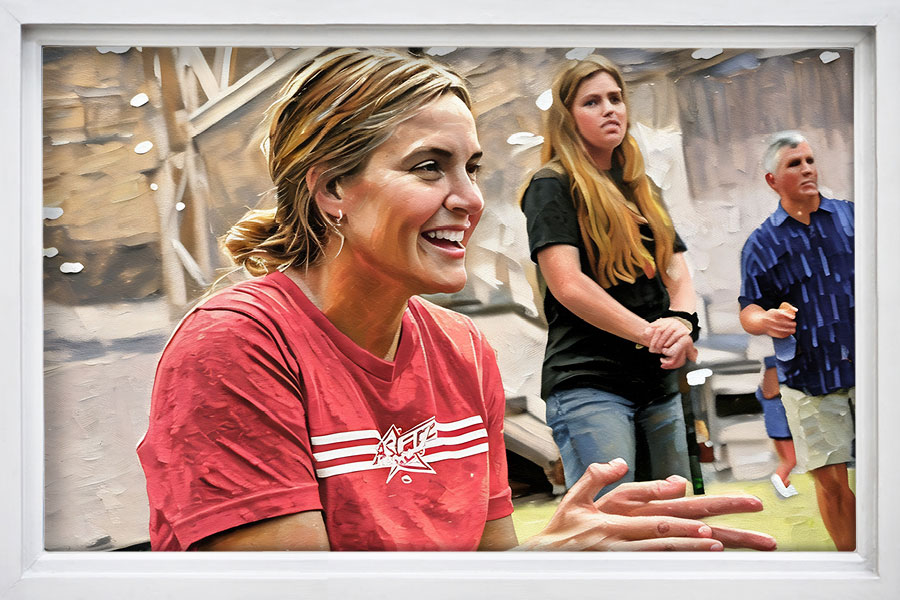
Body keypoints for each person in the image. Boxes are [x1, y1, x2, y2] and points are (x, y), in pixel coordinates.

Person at [138, 48, 775, 552]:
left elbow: (489, 564)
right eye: (428, 167)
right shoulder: (235, 346)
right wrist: (543, 563)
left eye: (471, 166)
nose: (470, 198)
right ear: (332, 187)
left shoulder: (463, 350)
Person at [520, 55, 698, 497]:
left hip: (656, 384)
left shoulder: (642, 186)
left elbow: (677, 270)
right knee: (612, 528)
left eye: (616, 98)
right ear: (567, 118)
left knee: (675, 522)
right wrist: (651, 333)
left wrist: (681, 323)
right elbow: (569, 285)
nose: (610, 109)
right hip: (589, 383)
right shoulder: (551, 185)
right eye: (592, 102)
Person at [739, 130, 855, 550]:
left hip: (872, 372)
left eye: (809, 160)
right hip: (808, 379)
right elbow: (748, 309)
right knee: (831, 486)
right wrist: (764, 320)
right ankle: (853, 566)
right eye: (794, 164)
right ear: (773, 180)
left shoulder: (852, 218)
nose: (806, 169)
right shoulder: (762, 244)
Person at [756, 355, 798, 498]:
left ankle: (785, 483)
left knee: (787, 460)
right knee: (791, 460)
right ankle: (780, 479)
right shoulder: (773, 371)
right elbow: (770, 393)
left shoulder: (768, 377)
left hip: (777, 425)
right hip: (782, 425)